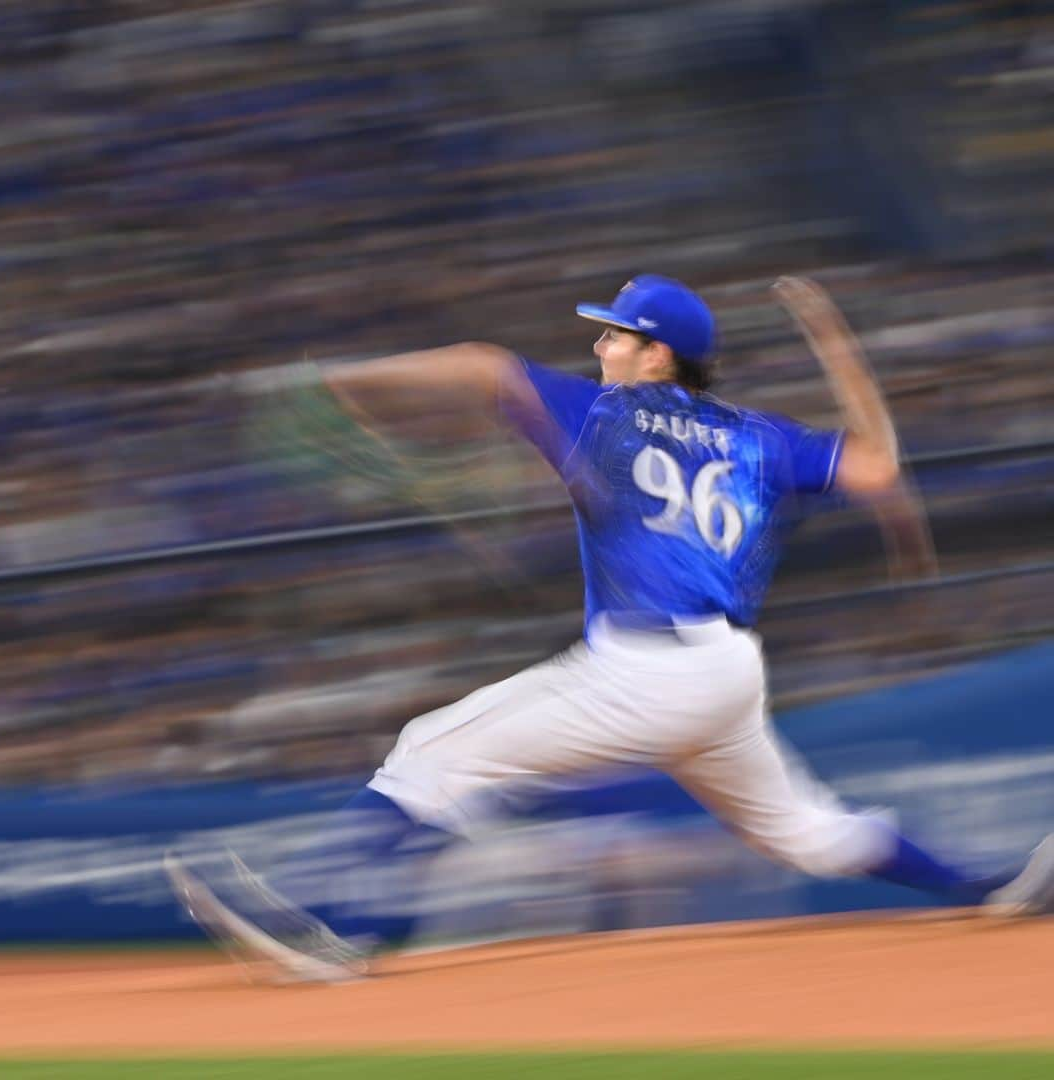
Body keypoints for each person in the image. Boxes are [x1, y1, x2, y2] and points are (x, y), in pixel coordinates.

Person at [167, 274, 1053, 982]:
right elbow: (879, 464)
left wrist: (343, 375)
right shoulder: (756, 437)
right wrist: (834, 343)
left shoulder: (605, 415)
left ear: (656, 353)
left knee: (431, 750)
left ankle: (335, 931)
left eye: (615, 333)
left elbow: (483, 366)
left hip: (645, 670)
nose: (599, 345)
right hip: (728, 675)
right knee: (808, 832)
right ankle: (992, 884)